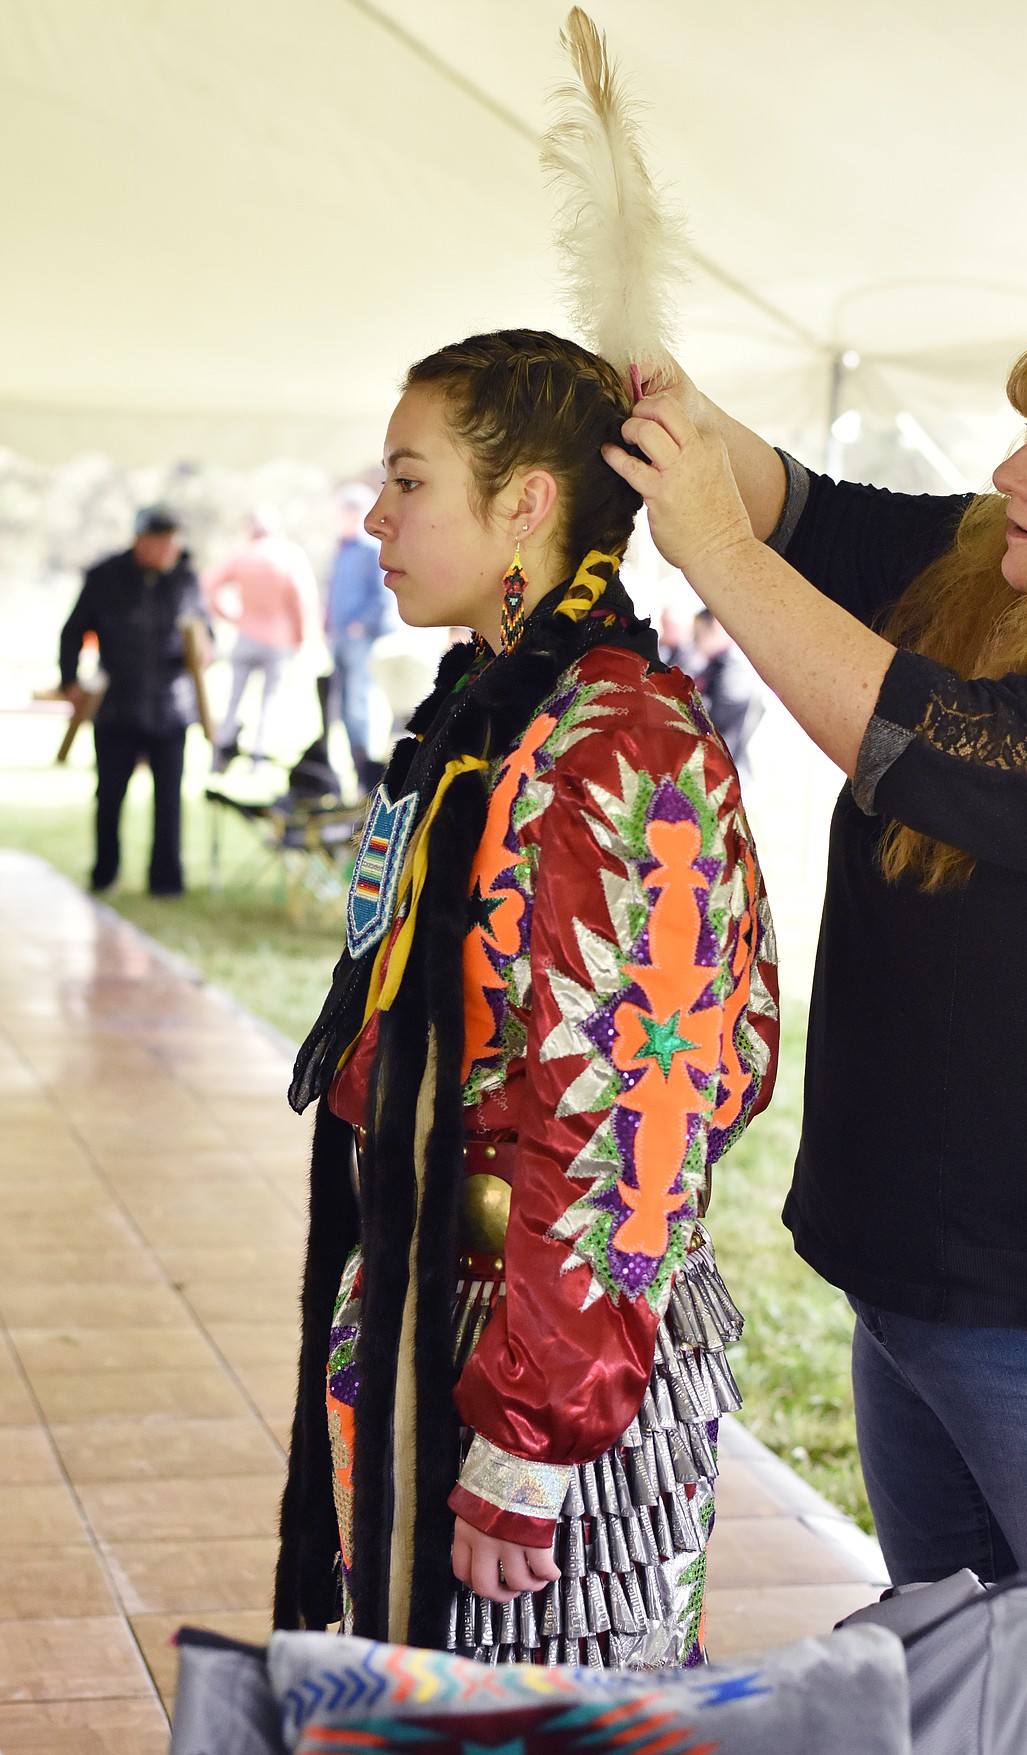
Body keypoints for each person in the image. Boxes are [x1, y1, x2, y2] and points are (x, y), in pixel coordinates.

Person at [602, 293, 1027, 1662]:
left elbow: (951, 748)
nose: (1007, 473)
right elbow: (809, 509)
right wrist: (669, 403)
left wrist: (713, 555)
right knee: (954, 1694)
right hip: (908, 1292)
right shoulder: (987, 565)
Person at [274, 330, 779, 1668]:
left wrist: (528, 1429)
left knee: (538, 1697)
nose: (375, 514)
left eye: (409, 480)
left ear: (527, 506)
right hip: (452, 1296)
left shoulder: (618, 737)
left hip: (549, 1351)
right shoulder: (498, 712)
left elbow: (641, 1109)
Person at [59, 504, 205, 896]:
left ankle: (166, 881)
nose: (167, 551)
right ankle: (104, 873)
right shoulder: (105, 577)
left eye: (173, 544)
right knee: (109, 796)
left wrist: (205, 649)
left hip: (170, 708)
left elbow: (205, 634)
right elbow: (72, 631)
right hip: (118, 707)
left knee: (169, 802)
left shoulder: (186, 579)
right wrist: (69, 680)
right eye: (161, 543)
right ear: (141, 541)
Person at [202, 505, 317, 769]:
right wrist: (302, 637)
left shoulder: (243, 554)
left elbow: (207, 585)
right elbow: (302, 599)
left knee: (233, 700)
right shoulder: (289, 555)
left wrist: (230, 616)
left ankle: (219, 757)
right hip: (280, 641)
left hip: (246, 636)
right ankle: (258, 760)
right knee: (269, 701)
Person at [325, 483, 393, 789]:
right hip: (338, 638)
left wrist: (361, 625)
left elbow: (383, 595)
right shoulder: (342, 548)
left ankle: (365, 775)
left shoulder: (369, 548)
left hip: (359, 640)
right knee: (338, 706)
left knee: (357, 705)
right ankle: (350, 770)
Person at [692, 609, 765, 772]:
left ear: (716, 628)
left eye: (698, 635)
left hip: (727, 769)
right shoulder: (716, 665)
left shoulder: (734, 668)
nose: (695, 642)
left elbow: (718, 719)